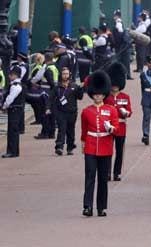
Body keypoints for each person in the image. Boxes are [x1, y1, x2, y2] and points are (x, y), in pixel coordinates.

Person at [81, 72, 119, 216]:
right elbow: (84, 130)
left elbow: (117, 128)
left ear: (104, 94)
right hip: (91, 146)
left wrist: (111, 129)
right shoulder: (86, 111)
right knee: (90, 177)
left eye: (100, 94)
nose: (97, 96)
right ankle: (87, 206)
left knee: (103, 179)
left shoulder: (111, 110)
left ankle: (101, 207)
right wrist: (83, 143)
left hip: (105, 146)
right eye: (95, 94)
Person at [105, 63, 131, 180]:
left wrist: (126, 112)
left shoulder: (125, 97)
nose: (115, 86)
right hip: (109, 127)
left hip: (121, 127)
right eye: (113, 84)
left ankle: (117, 173)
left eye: (117, 84)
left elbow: (130, 111)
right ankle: (107, 172)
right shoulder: (106, 97)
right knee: (108, 151)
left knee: (120, 152)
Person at [51, 65, 84, 156]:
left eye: (66, 74)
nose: (65, 76)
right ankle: (59, 147)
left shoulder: (74, 86)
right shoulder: (57, 87)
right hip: (61, 112)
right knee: (62, 129)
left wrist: (81, 89)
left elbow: (80, 97)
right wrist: (48, 108)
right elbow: (51, 98)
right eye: (63, 74)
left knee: (70, 130)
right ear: (61, 75)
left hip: (72, 112)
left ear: (69, 74)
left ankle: (70, 148)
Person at [2, 66, 26, 158]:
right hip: (17, 110)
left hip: (14, 110)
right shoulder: (18, 85)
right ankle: (14, 151)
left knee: (12, 131)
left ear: (15, 75)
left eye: (11, 74)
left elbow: (10, 99)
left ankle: (11, 151)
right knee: (14, 131)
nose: (9, 76)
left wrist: (4, 106)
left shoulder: (15, 86)